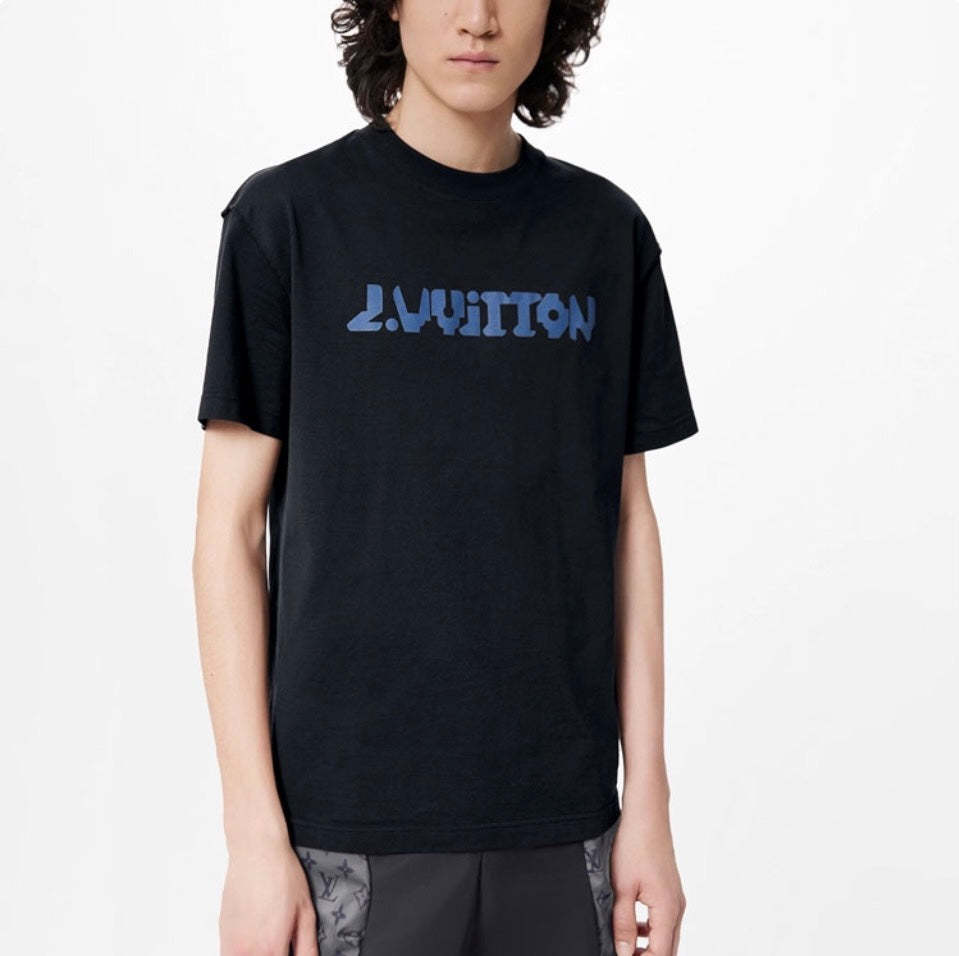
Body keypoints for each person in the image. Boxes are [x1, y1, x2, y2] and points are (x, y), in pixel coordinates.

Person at [192, 1, 698, 954]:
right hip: (344, 829)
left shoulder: (604, 234)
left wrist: (649, 807)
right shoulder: (288, 219)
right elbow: (227, 531)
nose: (478, 18)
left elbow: (627, 522)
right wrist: (252, 835)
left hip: (566, 821)